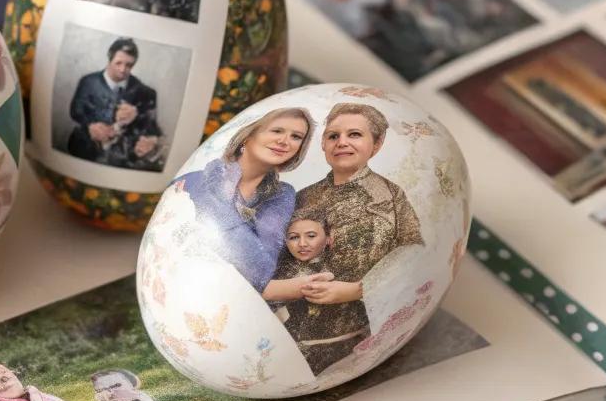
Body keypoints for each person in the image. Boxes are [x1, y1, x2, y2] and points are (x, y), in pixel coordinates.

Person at [293, 101, 424, 347]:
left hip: (361, 331)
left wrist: (358, 289)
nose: (342, 142)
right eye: (333, 136)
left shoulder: (390, 196)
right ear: (323, 144)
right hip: (298, 330)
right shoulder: (303, 197)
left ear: (376, 144)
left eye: (354, 134)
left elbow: (413, 251)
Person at [179, 106, 312, 291]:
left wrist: (213, 207)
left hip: (227, 293)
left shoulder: (282, 194)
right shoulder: (196, 179)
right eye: (277, 131)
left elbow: (261, 270)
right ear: (248, 135)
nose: (284, 141)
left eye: (296, 137)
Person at [263, 209, 368, 371]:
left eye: (311, 236)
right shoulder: (277, 272)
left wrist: (354, 291)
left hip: (357, 347)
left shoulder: (349, 265)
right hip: (300, 355)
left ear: (328, 239)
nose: (302, 244)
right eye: (294, 237)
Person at [66, 38, 163, 169]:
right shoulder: (88, 82)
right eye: (118, 63)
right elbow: (75, 111)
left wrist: (138, 115)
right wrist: (90, 126)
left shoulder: (144, 91)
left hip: (123, 160)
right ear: (109, 59)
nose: (123, 69)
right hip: (85, 151)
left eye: (129, 65)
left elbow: (152, 129)